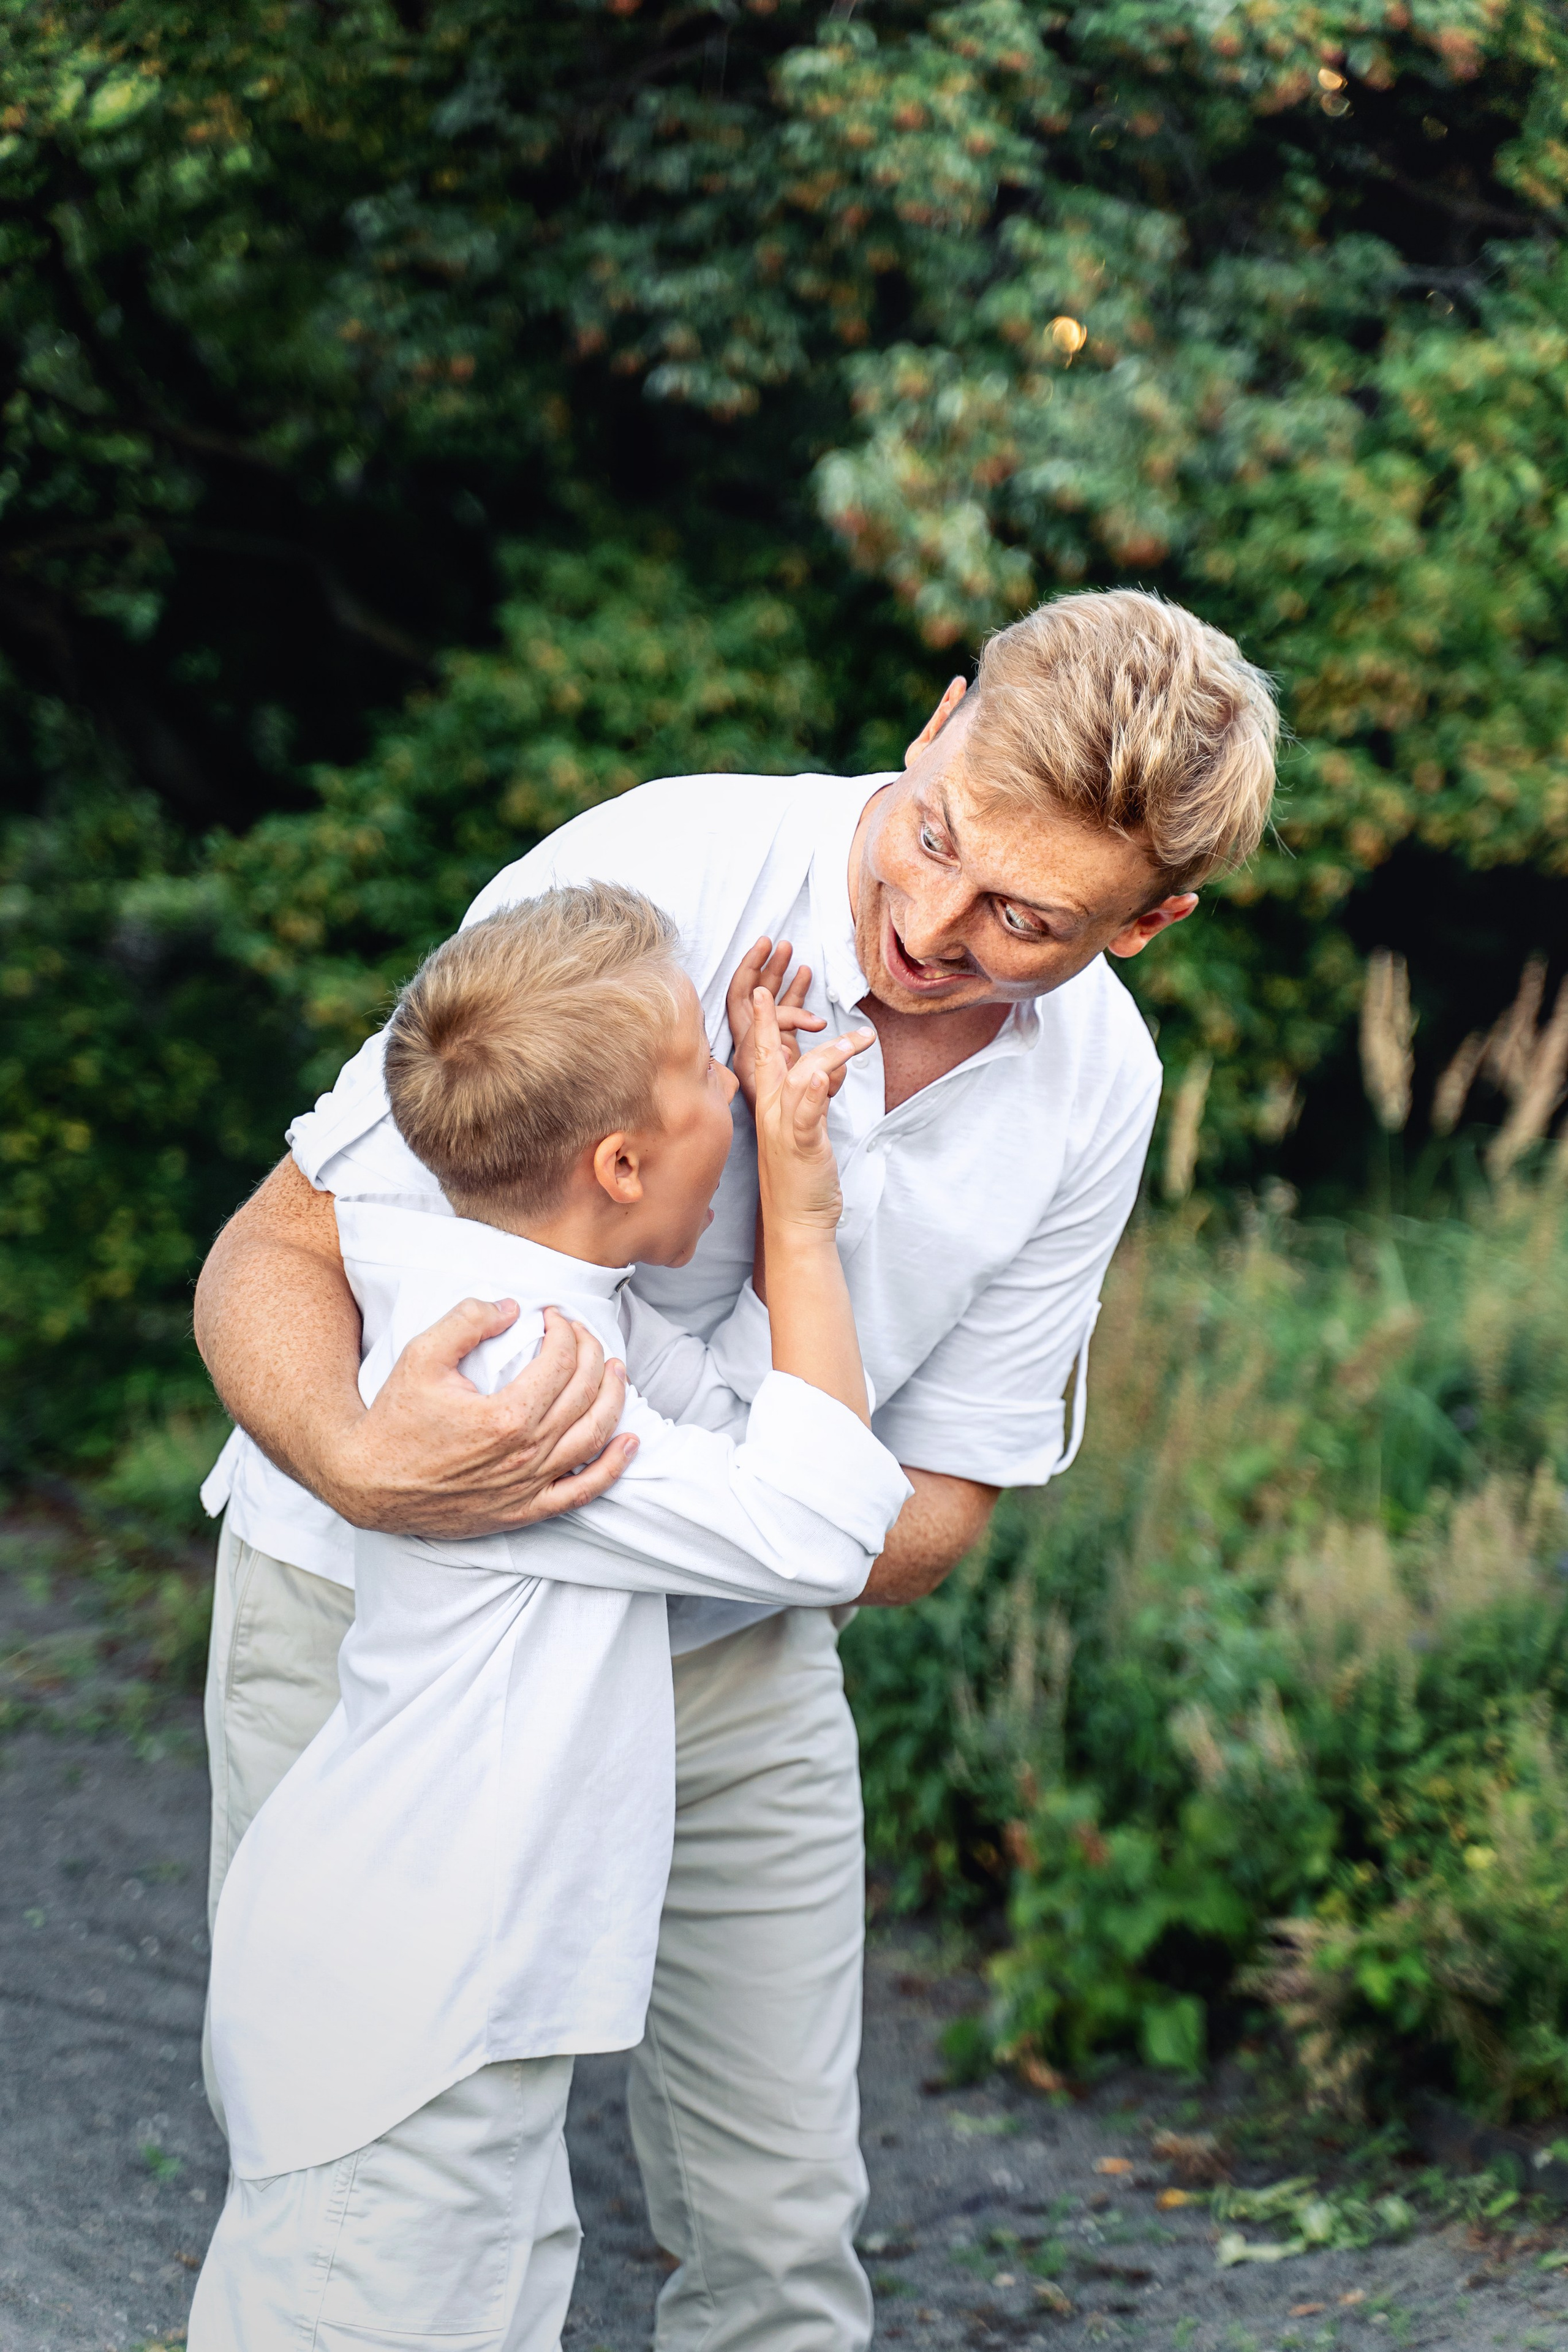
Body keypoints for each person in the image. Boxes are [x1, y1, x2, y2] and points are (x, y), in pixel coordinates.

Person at [195, 589, 1279, 2352]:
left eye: (1023, 915)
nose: (931, 925)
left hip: (722, 1650)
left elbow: (915, 1521)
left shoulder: (1099, 1091)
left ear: (1150, 923)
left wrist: (792, 1235)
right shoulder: (654, 882)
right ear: (939, 724)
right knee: (372, 2172)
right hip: (380, 1613)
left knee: (778, 2243)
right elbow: (279, 1246)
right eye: (938, 838)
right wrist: (368, 1459)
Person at [190, 884, 910, 2351]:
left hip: (470, 2013)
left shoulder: (544, 1302)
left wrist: (766, 1147)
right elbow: (827, 1518)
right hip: (408, 2026)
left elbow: (766, 1431)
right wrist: (804, 1197)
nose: (741, 1081)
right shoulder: (523, 1382)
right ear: (621, 1160)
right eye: (711, 1074)